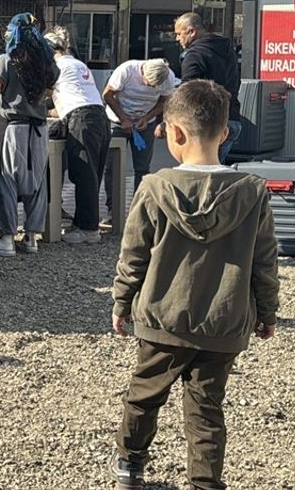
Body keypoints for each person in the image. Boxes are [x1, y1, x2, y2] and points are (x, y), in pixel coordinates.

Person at [110, 79, 279, 490]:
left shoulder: (155, 188)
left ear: (175, 133)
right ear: (224, 133)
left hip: (163, 319)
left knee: (143, 395)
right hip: (223, 322)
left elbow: (134, 255)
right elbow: (264, 261)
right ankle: (204, 482)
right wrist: (267, 311)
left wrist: (121, 302)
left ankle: (130, 467)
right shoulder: (251, 193)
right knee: (206, 409)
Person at [0, 13, 59, 257]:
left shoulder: (6, 60)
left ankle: (6, 238)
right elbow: (50, 90)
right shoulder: (46, 61)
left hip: (12, 126)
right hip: (39, 127)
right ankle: (32, 237)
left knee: (6, 179)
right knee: (37, 181)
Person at [44, 27, 109, 245]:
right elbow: (73, 94)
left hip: (81, 119)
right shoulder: (77, 64)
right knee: (93, 173)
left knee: (83, 173)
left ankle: (88, 229)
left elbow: (43, 92)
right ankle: (83, 222)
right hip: (99, 114)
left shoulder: (56, 66)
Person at [103, 58, 176, 206]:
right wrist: (123, 118)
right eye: (147, 82)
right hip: (117, 122)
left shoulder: (169, 77)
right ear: (142, 72)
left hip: (145, 124)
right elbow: (107, 95)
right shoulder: (127, 70)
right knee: (111, 166)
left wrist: (148, 117)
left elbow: (165, 101)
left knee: (142, 168)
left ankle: (138, 205)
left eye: (154, 86)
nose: (150, 87)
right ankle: (112, 207)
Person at [174, 13, 242, 162]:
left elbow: (187, 94)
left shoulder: (194, 55)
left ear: (192, 31)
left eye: (179, 34)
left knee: (201, 172)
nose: (177, 39)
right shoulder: (227, 49)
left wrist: (170, 121)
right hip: (232, 118)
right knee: (216, 169)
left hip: (207, 124)